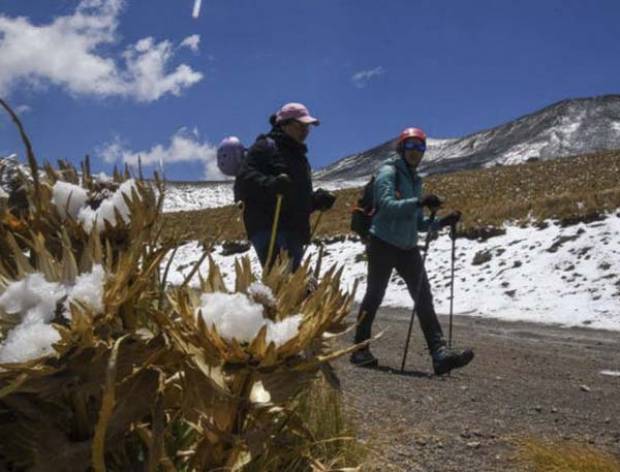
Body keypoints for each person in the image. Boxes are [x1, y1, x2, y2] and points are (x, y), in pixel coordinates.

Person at [351, 127, 474, 375]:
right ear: (402, 147)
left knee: (424, 298)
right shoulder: (388, 172)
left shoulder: (416, 180)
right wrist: (419, 202)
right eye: (411, 146)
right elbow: (386, 205)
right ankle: (360, 349)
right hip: (382, 242)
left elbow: (416, 222)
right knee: (375, 295)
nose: (416, 151)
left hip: (407, 247)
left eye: (420, 147)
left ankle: (439, 354)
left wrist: (440, 222)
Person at [235, 102, 336, 271]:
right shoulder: (264, 147)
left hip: (293, 230)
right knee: (284, 281)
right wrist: (271, 185)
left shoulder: (299, 157)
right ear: (284, 125)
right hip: (269, 227)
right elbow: (243, 181)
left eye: (308, 126)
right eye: (300, 125)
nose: (305, 130)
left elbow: (293, 195)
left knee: (292, 283)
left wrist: (315, 201)